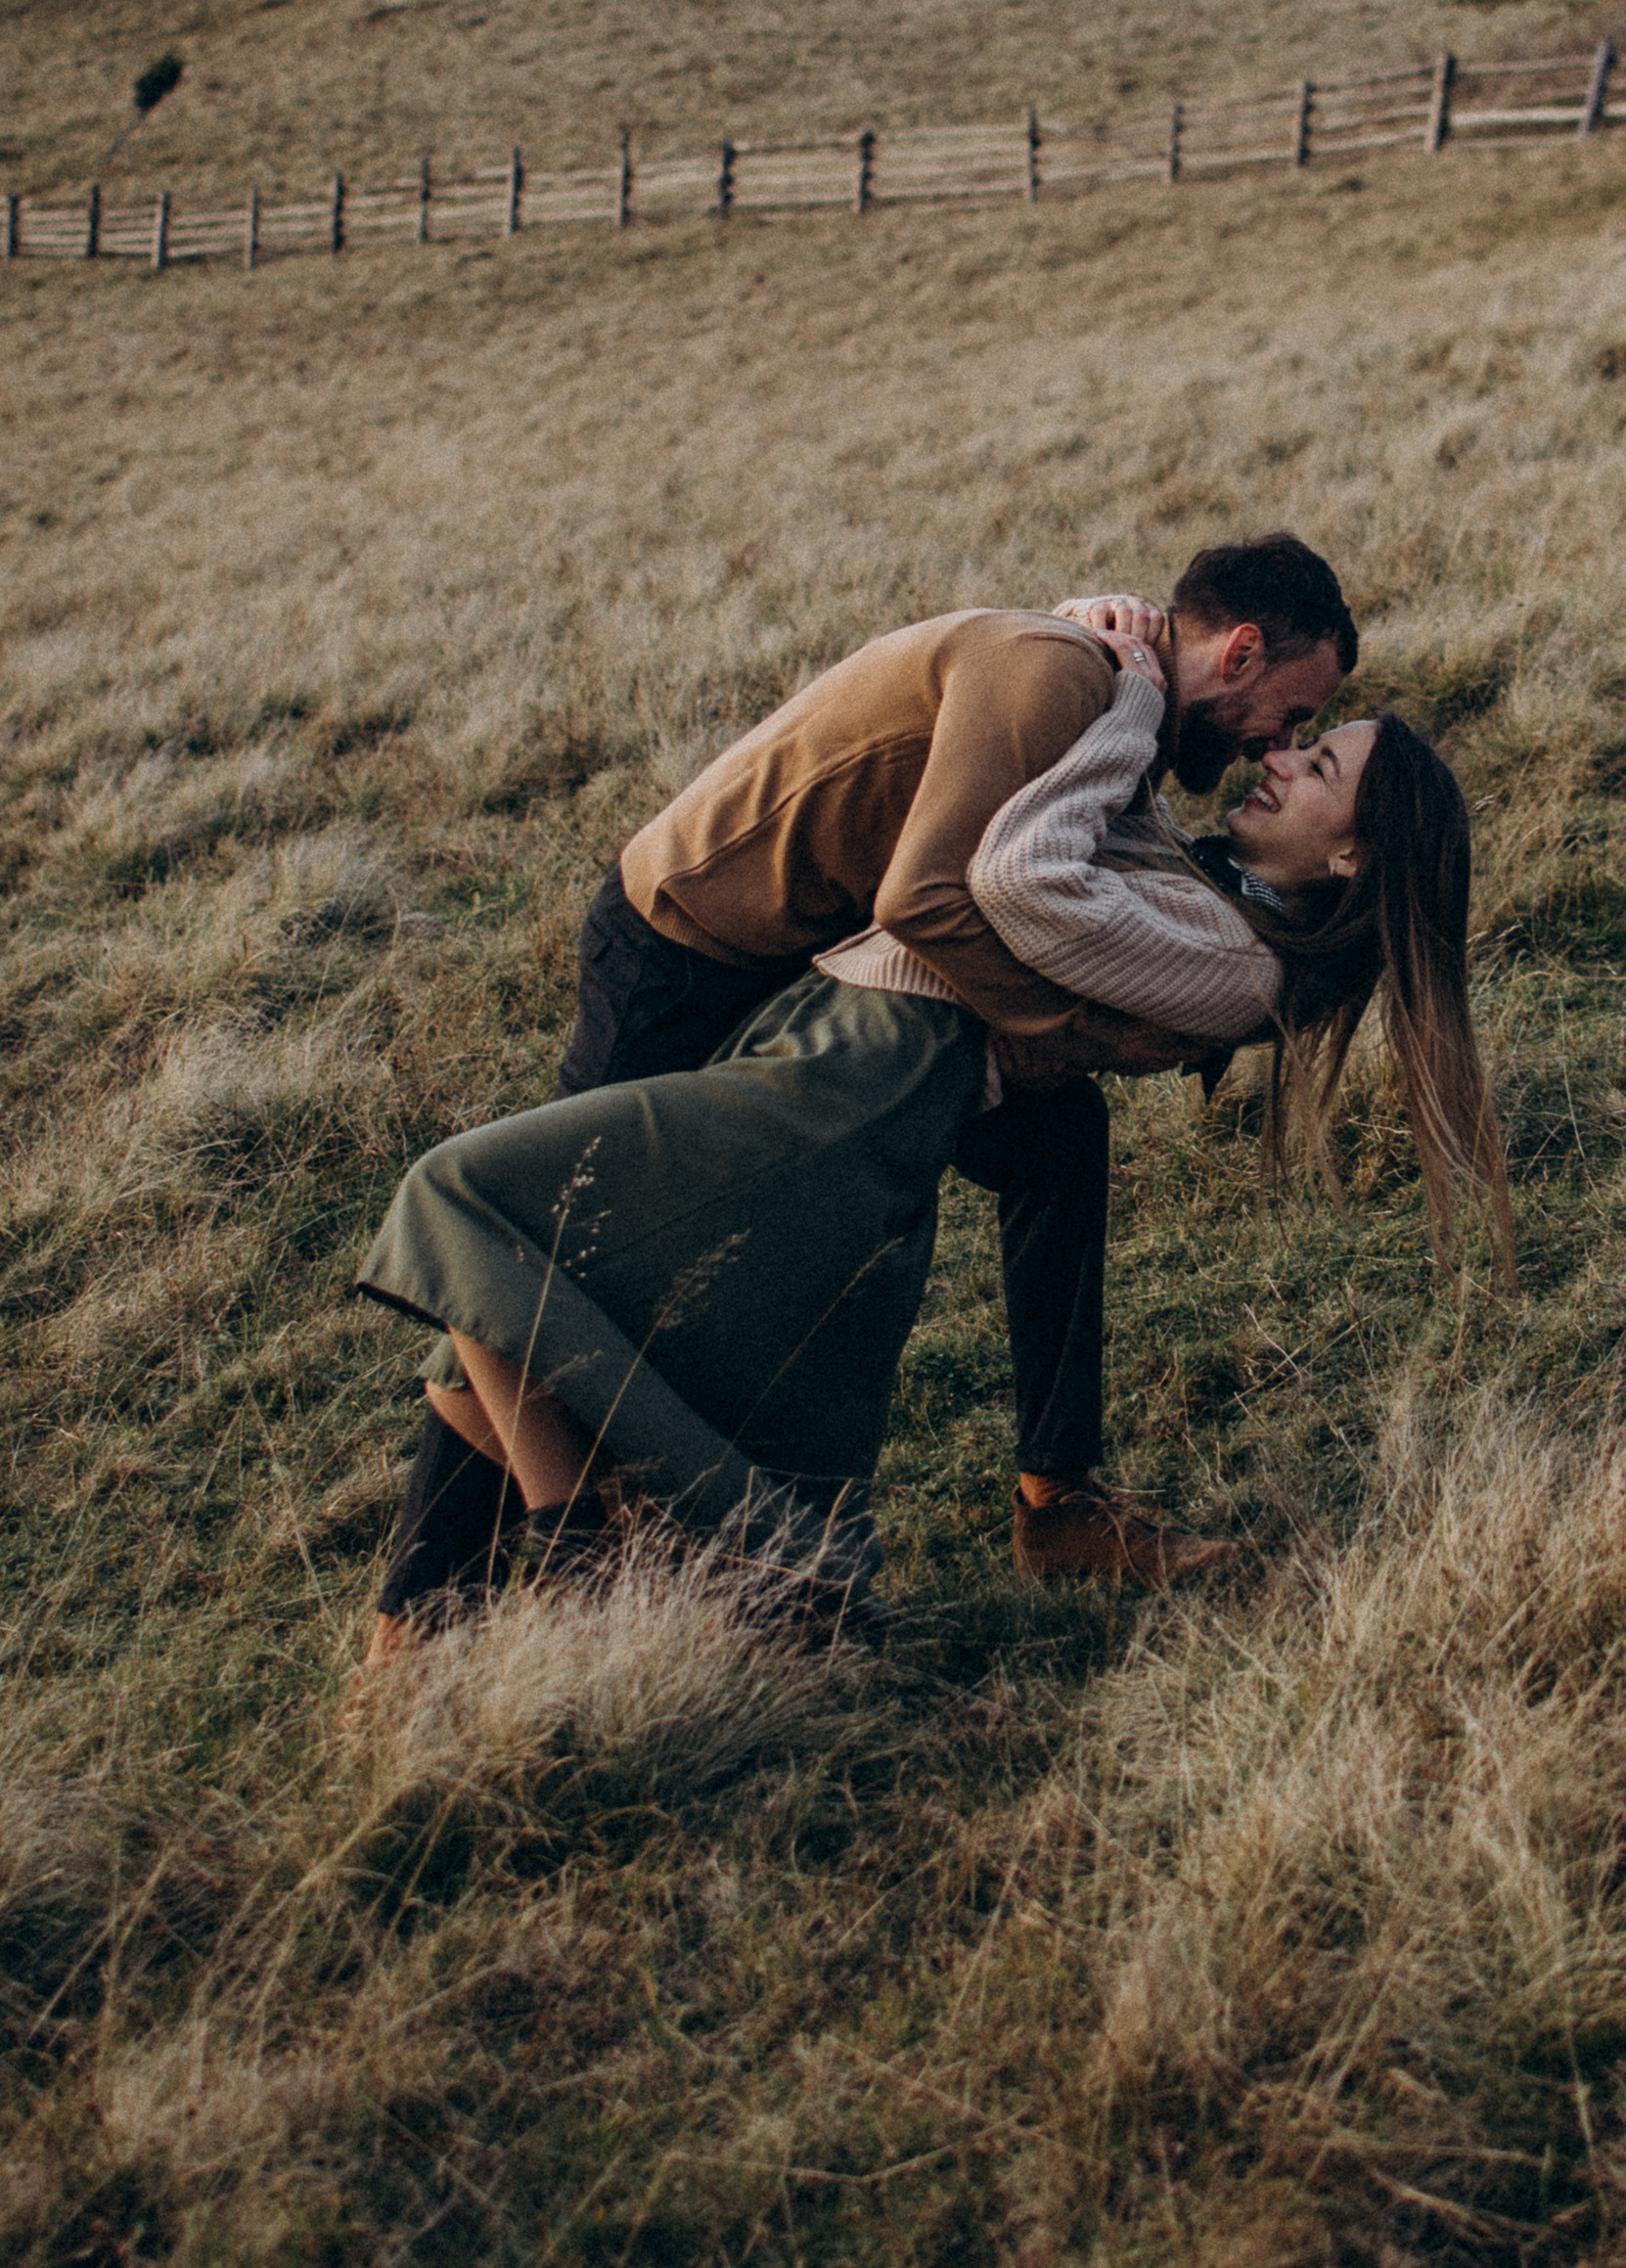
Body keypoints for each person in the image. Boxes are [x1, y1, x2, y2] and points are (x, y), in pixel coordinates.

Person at [352, 636, 1510, 1660]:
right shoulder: (1227, 899)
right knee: (550, 1258)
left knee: (469, 1200)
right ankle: (514, 1587)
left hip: (853, 1076)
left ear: (1354, 856)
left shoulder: (1238, 959)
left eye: (1317, 765)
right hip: (824, 1032)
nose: (1280, 755)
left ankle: (572, 1555)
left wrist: (1127, 703)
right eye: (1299, 735)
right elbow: (1090, 808)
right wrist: (1120, 647)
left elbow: (1020, 874)